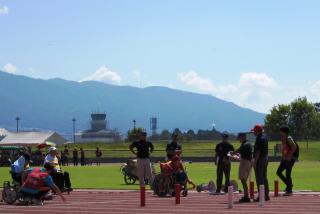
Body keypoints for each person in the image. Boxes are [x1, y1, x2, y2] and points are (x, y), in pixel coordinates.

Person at [231, 133, 253, 203]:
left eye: (239, 138)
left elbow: (239, 150)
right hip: (248, 162)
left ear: (243, 137)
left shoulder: (245, 144)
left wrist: (232, 153)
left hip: (244, 162)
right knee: (244, 180)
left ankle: (246, 196)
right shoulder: (248, 143)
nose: (239, 140)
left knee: (243, 180)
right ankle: (246, 195)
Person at [276, 126, 297, 196]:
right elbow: (284, 149)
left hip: (291, 158)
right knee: (278, 172)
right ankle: (289, 185)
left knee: (288, 173)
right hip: (285, 158)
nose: (280, 133)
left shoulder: (289, 138)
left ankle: (289, 190)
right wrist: (283, 157)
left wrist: (289, 156)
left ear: (285, 132)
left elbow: (294, 147)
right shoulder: (283, 139)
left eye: (281, 131)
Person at [252, 124, 270, 201]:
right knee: (264, 177)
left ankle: (261, 196)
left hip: (260, 159)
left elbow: (258, 152)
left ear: (257, 131)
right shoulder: (265, 138)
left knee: (259, 178)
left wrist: (255, 162)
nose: (253, 132)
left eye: (254, 131)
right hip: (265, 158)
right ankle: (266, 195)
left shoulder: (259, 139)